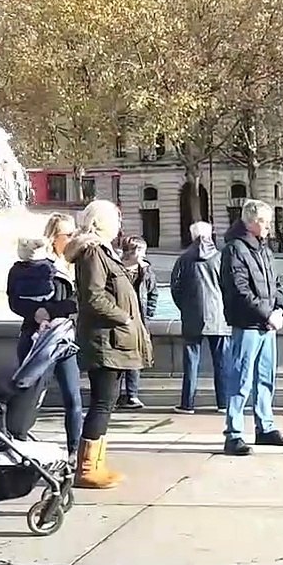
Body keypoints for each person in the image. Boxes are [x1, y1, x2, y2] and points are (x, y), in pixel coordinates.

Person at [65, 200, 152, 488]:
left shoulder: (102, 252)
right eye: (116, 219)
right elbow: (93, 296)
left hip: (111, 340)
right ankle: (87, 468)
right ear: (101, 222)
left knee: (106, 402)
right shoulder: (93, 253)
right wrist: (124, 317)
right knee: (102, 403)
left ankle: (95, 464)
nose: (119, 224)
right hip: (105, 340)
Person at [220, 199, 283, 456]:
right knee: (240, 379)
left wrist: (280, 309)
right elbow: (239, 290)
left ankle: (265, 427)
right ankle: (234, 434)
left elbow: (276, 283)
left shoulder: (264, 249)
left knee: (265, 379)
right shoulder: (234, 250)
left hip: (266, 325)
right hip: (248, 325)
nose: (269, 227)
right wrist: (267, 314)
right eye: (265, 222)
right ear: (250, 222)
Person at [6, 213, 83, 454]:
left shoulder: (75, 264)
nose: (73, 239)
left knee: (73, 397)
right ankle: (16, 442)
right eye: (68, 235)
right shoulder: (30, 267)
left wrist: (46, 311)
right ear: (53, 237)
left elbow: (76, 302)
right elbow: (14, 301)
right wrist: (37, 312)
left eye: (74, 234)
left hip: (63, 338)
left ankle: (75, 451)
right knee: (29, 396)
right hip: (35, 338)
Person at [170, 220, 230, 415]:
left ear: (192, 236)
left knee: (190, 363)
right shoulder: (219, 258)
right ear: (211, 234)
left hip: (192, 316)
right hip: (218, 316)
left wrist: (185, 307)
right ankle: (224, 402)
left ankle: (187, 403)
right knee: (221, 362)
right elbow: (228, 286)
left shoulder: (184, 259)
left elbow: (175, 288)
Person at [118, 235, 158, 410]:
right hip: (119, 318)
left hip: (139, 319)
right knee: (118, 357)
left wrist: (147, 314)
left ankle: (132, 394)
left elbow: (153, 294)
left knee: (135, 358)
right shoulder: (116, 268)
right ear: (131, 251)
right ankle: (117, 393)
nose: (144, 254)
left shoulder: (146, 271)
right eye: (141, 250)